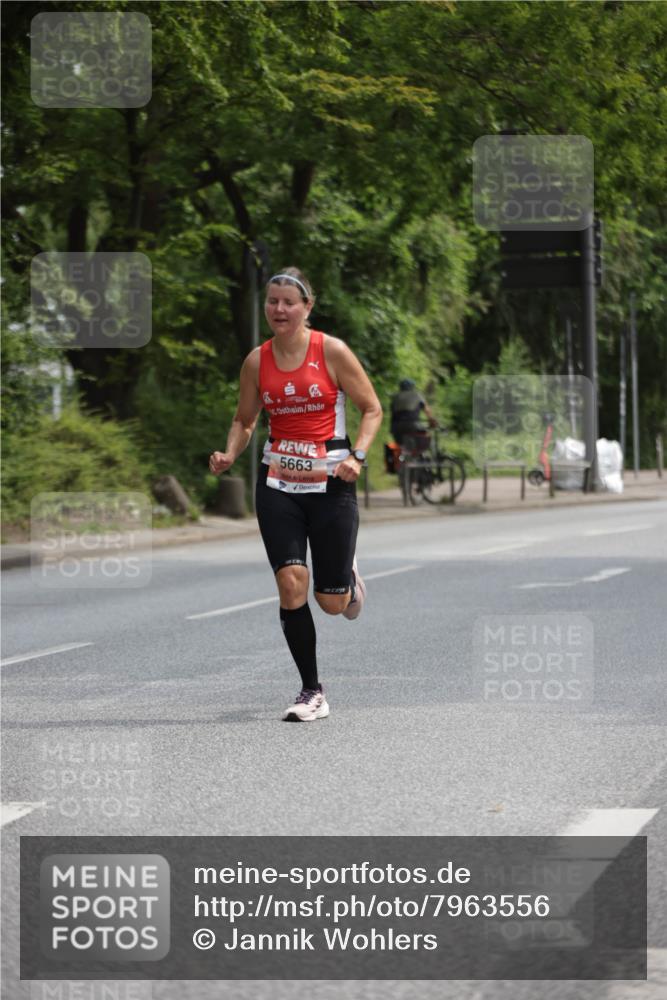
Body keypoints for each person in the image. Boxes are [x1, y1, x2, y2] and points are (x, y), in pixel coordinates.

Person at [209, 267, 383, 722]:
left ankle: (347, 579)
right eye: (272, 302)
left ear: (307, 308)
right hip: (278, 483)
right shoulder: (256, 361)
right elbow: (245, 421)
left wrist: (358, 457)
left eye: (289, 302)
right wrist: (230, 453)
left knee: (332, 604)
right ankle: (312, 691)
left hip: (331, 482)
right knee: (290, 583)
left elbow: (371, 408)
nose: (279, 310)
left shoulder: (332, 351)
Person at [390, 378, 437, 446]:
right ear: (412, 387)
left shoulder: (395, 397)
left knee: (399, 446)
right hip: (413, 425)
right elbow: (427, 410)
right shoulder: (417, 395)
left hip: (396, 427)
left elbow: (393, 412)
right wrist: (431, 420)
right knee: (423, 439)